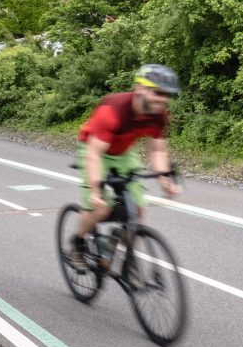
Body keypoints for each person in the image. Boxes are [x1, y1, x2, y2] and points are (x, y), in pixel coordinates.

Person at [70, 64, 182, 269]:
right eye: (157, 93)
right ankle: (77, 243)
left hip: (122, 152)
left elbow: (157, 150)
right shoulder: (113, 111)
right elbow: (94, 154)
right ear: (140, 88)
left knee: (136, 210)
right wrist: (96, 190)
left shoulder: (158, 115)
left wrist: (164, 178)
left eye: (167, 95)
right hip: (95, 149)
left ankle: (121, 247)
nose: (163, 100)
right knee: (100, 209)